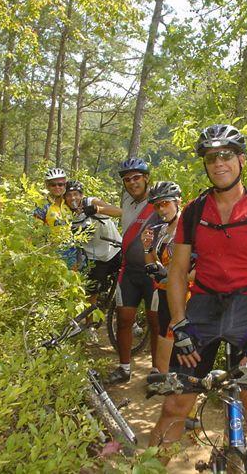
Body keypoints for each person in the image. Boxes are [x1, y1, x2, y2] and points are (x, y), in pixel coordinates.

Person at [149, 124, 247, 473]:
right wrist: (179, 324)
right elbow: (179, 272)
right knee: (175, 404)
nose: (218, 163)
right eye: (211, 157)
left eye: (226, 155)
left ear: (241, 160)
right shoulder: (195, 211)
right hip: (204, 308)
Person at [106, 158, 161, 384]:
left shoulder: (158, 200)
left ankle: (158, 371)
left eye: (136, 177)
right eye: (127, 179)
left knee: (155, 321)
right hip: (129, 271)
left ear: (146, 178)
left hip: (153, 272)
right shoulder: (127, 200)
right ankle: (124, 367)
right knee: (124, 319)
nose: (132, 182)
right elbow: (111, 209)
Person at [141, 181, 192, 373]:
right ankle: (164, 379)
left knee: (177, 339)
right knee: (164, 335)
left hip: (185, 296)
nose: (161, 209)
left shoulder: (188, 231)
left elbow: (199, 270)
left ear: (178, 202)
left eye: (166, 203)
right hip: (164, 293)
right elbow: (154, 260)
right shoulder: (162, 230)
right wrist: (147, 248)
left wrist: (169, 275)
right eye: (157, 205)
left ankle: (180, 385)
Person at [64, 180, 123, 306]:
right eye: (68, 195)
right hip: (94, 257)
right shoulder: (65, 214)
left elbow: (119, 212)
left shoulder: (90, 201)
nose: (73, 198)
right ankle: (90, 324)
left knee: (125, 287)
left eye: (76, 194)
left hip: (115, 250)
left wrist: (97, 209)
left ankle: (130, 320)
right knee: (91, 293)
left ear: (82, 195)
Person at [33, 167, 71, 244]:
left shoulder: (69, 202)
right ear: (47, 186)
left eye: (60, 184)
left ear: (65, 185)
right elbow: (36, 230)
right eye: (53, 185)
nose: (57, 187)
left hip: (73, 250)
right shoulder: (43, 205)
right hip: (52, 251)